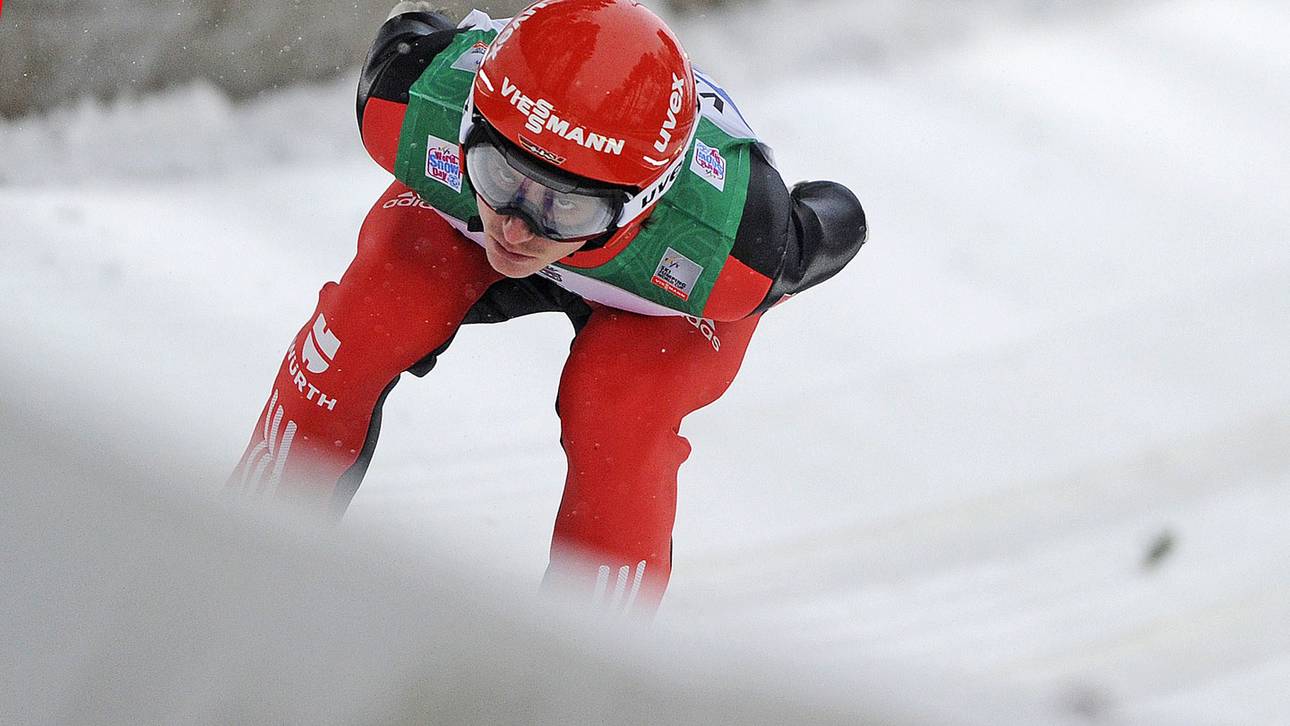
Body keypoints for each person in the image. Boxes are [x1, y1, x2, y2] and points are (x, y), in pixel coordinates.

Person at [229, 0, 866, 617]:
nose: (517, 228)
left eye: (568, 206)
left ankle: (589, 664)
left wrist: (497, 186)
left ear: (646, 200)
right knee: (369, 319)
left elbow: (830, 224)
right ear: (468, 129)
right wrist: (544, 207)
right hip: (474, 226)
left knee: (617, 413)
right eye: (501, 175)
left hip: (659, 301)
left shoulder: (736, 249)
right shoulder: (409, 97)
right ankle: (239, 563)